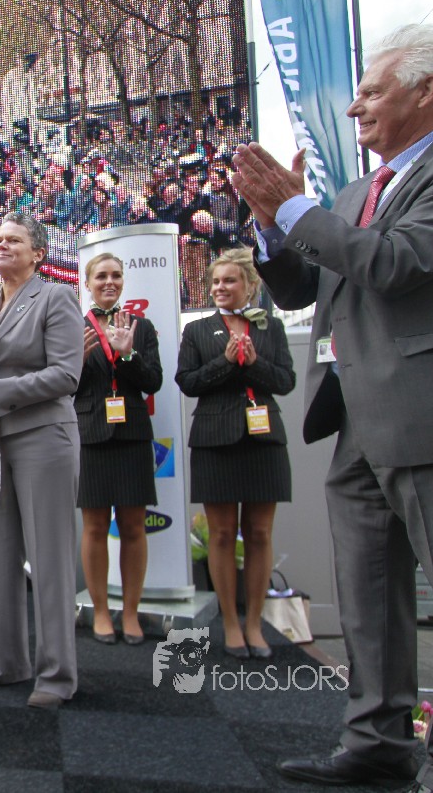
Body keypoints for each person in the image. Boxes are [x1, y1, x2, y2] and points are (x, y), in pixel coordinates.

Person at [233, 23, 433, 790]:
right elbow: (309, 286)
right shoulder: (360, 192)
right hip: (354, 419)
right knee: (367, 597)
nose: (355, 108)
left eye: (371, 92)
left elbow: (392, 263)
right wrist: (271, 226)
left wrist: (297, 209)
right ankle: (376, 743)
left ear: (428, 90)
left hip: (429, 420)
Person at [0, 211, 82, 709]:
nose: (1, 245)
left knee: (49, 562)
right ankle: (3, 663)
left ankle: (56, 676)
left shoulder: (55, 297)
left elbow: (66, 375)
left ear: (38, 253)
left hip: (43, 439)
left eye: (14, 240)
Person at [174, 249, 294, 659]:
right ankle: (229, 623)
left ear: (250, 284)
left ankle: (255, 624)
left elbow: (286, 381)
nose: (219, 288)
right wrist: (225, 363)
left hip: (264, 440)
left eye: (228, 280)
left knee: (259, 534)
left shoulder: (270, 327)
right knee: (222, 534)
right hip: (215, 440)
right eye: (214, 282)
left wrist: (255, 363)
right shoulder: (197, 331)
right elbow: (188, 382)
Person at [75, 253, 163, 646]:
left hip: (132, 435)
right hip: (91, 435)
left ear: (123, 281)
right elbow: (62, 387)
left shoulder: (142, 327)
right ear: (88, 283)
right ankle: (100, 611)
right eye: (101, 276)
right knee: (94, 527)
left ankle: (129, 613)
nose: (109, 282)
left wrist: (128, 355)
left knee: (133, 527)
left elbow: (153, 382)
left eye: (116, 275)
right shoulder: (73, 328)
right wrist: (76, 362)